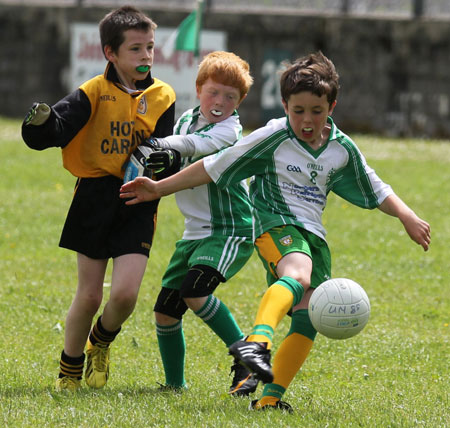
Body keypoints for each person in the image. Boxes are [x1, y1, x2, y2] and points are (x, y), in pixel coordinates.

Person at [119, 51, 431, 411]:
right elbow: (213, 165)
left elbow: (375, 187)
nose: (307, 120)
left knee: (308, 315)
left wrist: (406, 216)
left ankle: (268, 400)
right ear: (284, 105)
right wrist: (159, 188)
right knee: (297, 273)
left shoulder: (341, 148)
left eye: (316, 110)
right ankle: (258, 342)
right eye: (297, 111)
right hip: (274, 223)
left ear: (332, 104)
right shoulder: (273, 135)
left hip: (314, 235)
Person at [21, 5, 177, 392]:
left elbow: (171, 151)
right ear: (110, 53)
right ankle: (69, 370)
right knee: (89, 296)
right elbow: (54, 130)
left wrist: (162, 166)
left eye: (150, 49)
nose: (145, 57)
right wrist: (39, 123)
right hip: (93, 196)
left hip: (138, 199)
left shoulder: (162, 96)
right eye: (135, 50)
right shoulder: (93, 92)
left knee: (124, 296)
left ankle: (101, 341)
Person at [135, 51, 258, 395]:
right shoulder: (185, 119)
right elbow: (177, 150)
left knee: (195, 292)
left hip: (230, 230)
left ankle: (248, 356)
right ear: (199, 87)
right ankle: (175, 385)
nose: (219, 102)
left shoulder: (230, 131)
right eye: (213, 92)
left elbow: (196, 145)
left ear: (240, 101)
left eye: (230, 97)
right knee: (165, 312)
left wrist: (163, 145)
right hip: (195, 233)